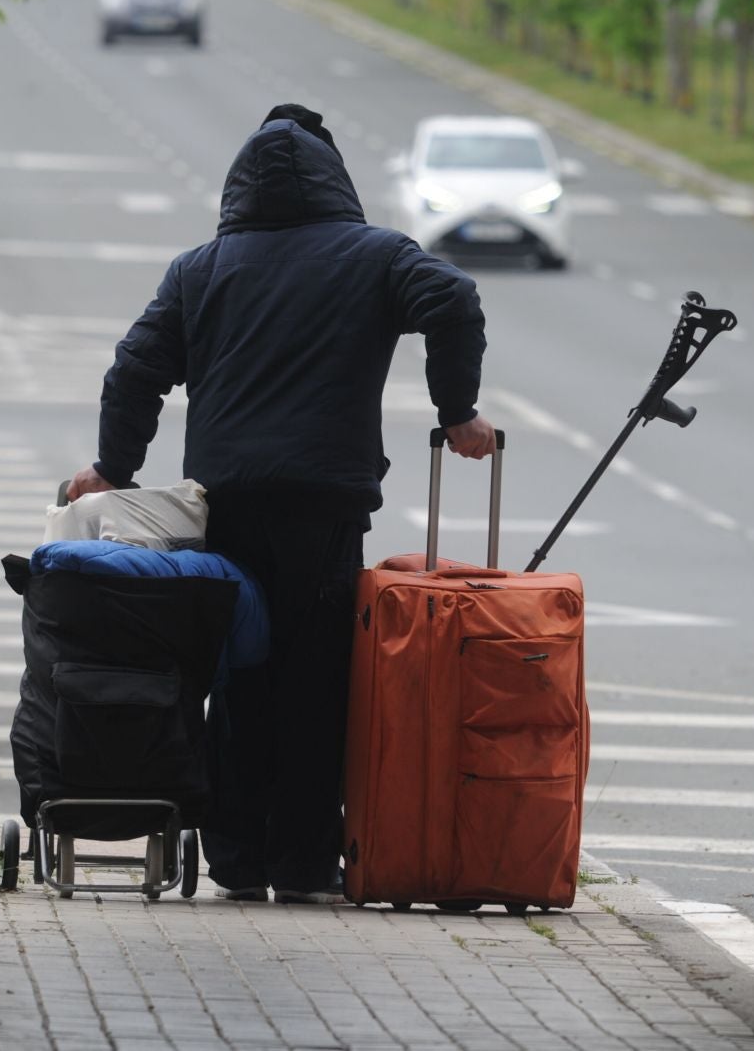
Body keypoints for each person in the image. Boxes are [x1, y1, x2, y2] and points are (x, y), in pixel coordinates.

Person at [67, 103, 494, 903]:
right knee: (316, 679)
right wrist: (456, 411)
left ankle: (235, 859)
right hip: (321, 509)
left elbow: (133, 371)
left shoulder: (200, 270)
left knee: (237, 675)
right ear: (335, 178)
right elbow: (454, 298)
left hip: (222, 506)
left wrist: (113, 468)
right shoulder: (375, 257)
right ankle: (301, 862)